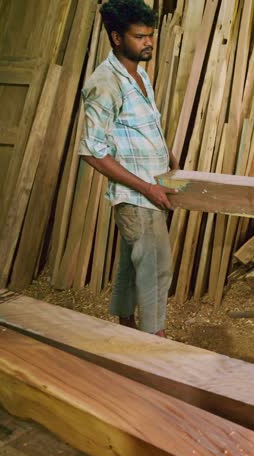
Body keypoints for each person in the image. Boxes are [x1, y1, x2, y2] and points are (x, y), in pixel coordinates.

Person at [79, 0, 179, 337]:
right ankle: (155, 345)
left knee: (132, 263)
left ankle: (124, 324)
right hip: (137, 197)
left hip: (150, 189)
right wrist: (147, 187)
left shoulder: (140, 73)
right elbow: (93, 152)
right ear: (117, 37)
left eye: (151, 35)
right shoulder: (105, 83)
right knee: (155, 269)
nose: (148, 42)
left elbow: (139, 128)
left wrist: (168, 156)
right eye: (140, 37)